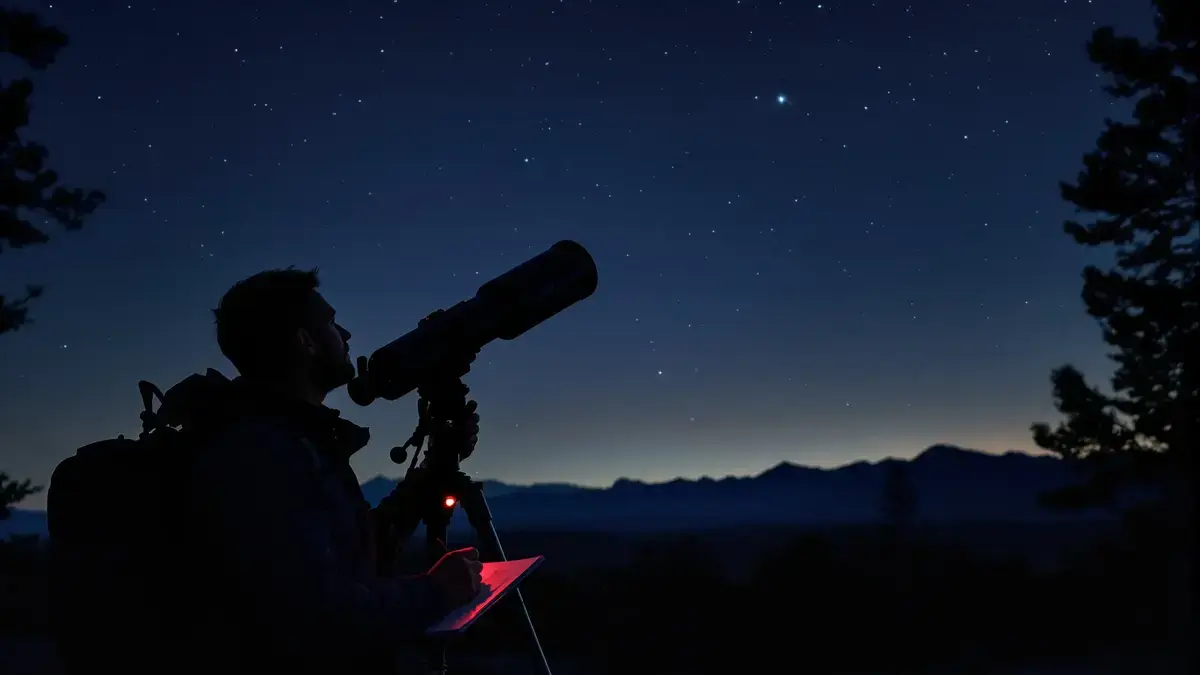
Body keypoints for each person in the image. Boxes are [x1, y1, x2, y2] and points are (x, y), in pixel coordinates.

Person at [183, 267, 483, 675]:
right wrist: (435, 592)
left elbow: (350, 552)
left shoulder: (291, 440)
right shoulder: (260, 453)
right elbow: (315, 616)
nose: (345, 335)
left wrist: (435, 467)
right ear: (305, 342)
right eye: (330, 322)